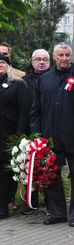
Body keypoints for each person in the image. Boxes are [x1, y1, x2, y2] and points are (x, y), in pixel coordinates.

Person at [30, 43, 74, 227]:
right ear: (54, 56)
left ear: (71, 56)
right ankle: (57, 212)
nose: (64, 58)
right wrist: (37, 134)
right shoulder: (45, 79)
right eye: (61, 55)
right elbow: (36, 110)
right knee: (50, 175)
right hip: (50, 138)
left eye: (67, 55)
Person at [0, 54, 31, 219]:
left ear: (8, 66)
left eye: (2, 62)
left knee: (5, 173)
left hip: (8, 136)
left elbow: (24, 113)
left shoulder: (18, 85)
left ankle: (3, 206)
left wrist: (18, 137)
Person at [21, 49, 51, 214]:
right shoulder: (23, 82)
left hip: (47, 129)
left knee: (48, 166)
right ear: (32, 62)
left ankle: (49, 202)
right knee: (28, 166)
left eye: (45, 59)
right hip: (28, 130)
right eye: (38, 59)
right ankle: (30, 202)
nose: (41, 62)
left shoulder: (53, 80)